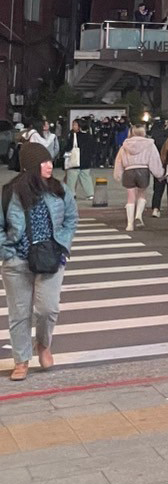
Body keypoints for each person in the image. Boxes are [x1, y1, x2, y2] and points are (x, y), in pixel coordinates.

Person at [2, 143, 79, 381]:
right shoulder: (10, 192)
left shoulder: (59, 190)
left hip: (50, 258)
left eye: (49, 161)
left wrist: (61, 245)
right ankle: (21, 360)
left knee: (48, 308)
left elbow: (71, 219)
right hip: (17, 261)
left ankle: (43, 344)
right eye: (44, 162)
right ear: (31, 167)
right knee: (19, 313)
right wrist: (7, 252)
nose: (49, 166)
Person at [114, 123, 165, 231]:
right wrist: (159, 173)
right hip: (143, 170)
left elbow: (119, 160)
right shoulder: (149, 144)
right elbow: (154, 160)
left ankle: (129, 224)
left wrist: (118, 174)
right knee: (141, 194)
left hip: (128, 171)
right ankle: (138, 216)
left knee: (130, 197)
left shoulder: (125, 145)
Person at [59, 118, 97, 204]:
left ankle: (71, 194)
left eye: (75, 125)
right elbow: (93, 149)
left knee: (71, 178)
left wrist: (63, 154)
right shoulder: (89, 136)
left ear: (79, 126)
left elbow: (68, 147)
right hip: (86, 161)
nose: (73, 126)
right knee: (86, 177)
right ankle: (90, 194)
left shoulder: (74, 136)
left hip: (74, 161)